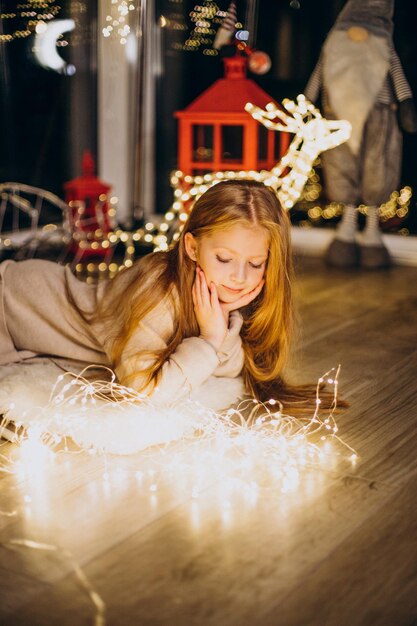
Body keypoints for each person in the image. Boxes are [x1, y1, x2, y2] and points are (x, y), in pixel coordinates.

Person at [0, 180, 302, 408]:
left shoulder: (220, 293)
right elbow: (141, 393)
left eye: (255, 263)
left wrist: (218, 327)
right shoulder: (160, 289)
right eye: (225, 259)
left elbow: (231, 367)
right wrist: (209, 341)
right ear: (192, 248)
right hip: (13, 301)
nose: (239, 276)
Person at [304, 0, 417, 269]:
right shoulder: (336, 41)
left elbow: (396, 72)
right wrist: (306, 101)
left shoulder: (378, 41)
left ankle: (373, 229)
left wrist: (405, 101)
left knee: (376, 165)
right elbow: (320, 72)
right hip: (339, 111)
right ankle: (348, 224)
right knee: (342, 165)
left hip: (378, 112)